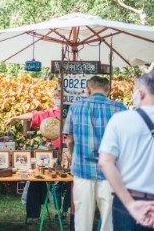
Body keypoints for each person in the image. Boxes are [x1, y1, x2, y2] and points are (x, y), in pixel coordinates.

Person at [63, 76, 127, 231]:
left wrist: (70, 153)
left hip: (82, 170)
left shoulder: (76, 106)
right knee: (110, 218)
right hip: (111, 172)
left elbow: (69, 139)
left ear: (88, 90)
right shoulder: (120, 108)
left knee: (82, 217)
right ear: (108, 91)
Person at [99, 71, 154, 230]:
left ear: (141, 93)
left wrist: (130, 205)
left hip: (128, 203)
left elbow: (105, 162)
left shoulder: (121, 119)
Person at [6, 89, 70, 219]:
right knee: (56, 185)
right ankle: (58, 211)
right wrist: (15, 117)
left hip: (67, 153)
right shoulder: (49, 113)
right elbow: (32, 115)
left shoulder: (71, 112)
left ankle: (65, 210)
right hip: (50, 155)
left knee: (69, 184)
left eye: (58, 96)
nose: (55, 98)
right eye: (54, 96)